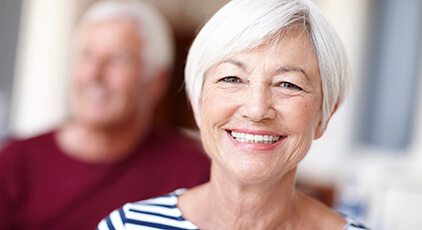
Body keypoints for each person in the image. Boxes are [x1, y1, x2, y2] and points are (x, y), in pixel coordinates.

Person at [99, 0, 370, 229]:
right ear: (197, 103)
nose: (256, 110)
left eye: (288, 84)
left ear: (325, 116)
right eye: (232, 78)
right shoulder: (127, 225)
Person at [0, 0, 210, 229]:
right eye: (87, 55)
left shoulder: (193, 172)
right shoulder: (15, 163)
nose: (94, 74)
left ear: (156, 81)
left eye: (117, 59)